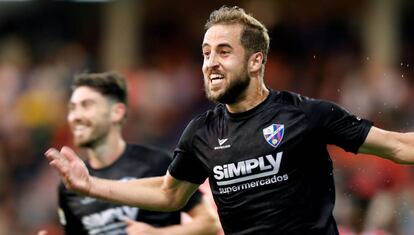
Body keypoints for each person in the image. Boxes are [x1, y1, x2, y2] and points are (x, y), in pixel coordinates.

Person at [45, 6, 414, 235]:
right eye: (206, 53)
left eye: (224, 51)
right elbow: (169, 193)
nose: (210, 63)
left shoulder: (306, 114)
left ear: (256, 61)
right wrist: (91, 185)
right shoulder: (202, 132)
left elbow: (398, 145)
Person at [49, 72, 219, 235]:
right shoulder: (71, 185)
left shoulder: (157, 163)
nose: (75, 116)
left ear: (117, 112)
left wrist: (161, 234)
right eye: (72, 108)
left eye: (86, 105)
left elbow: (209, 223)